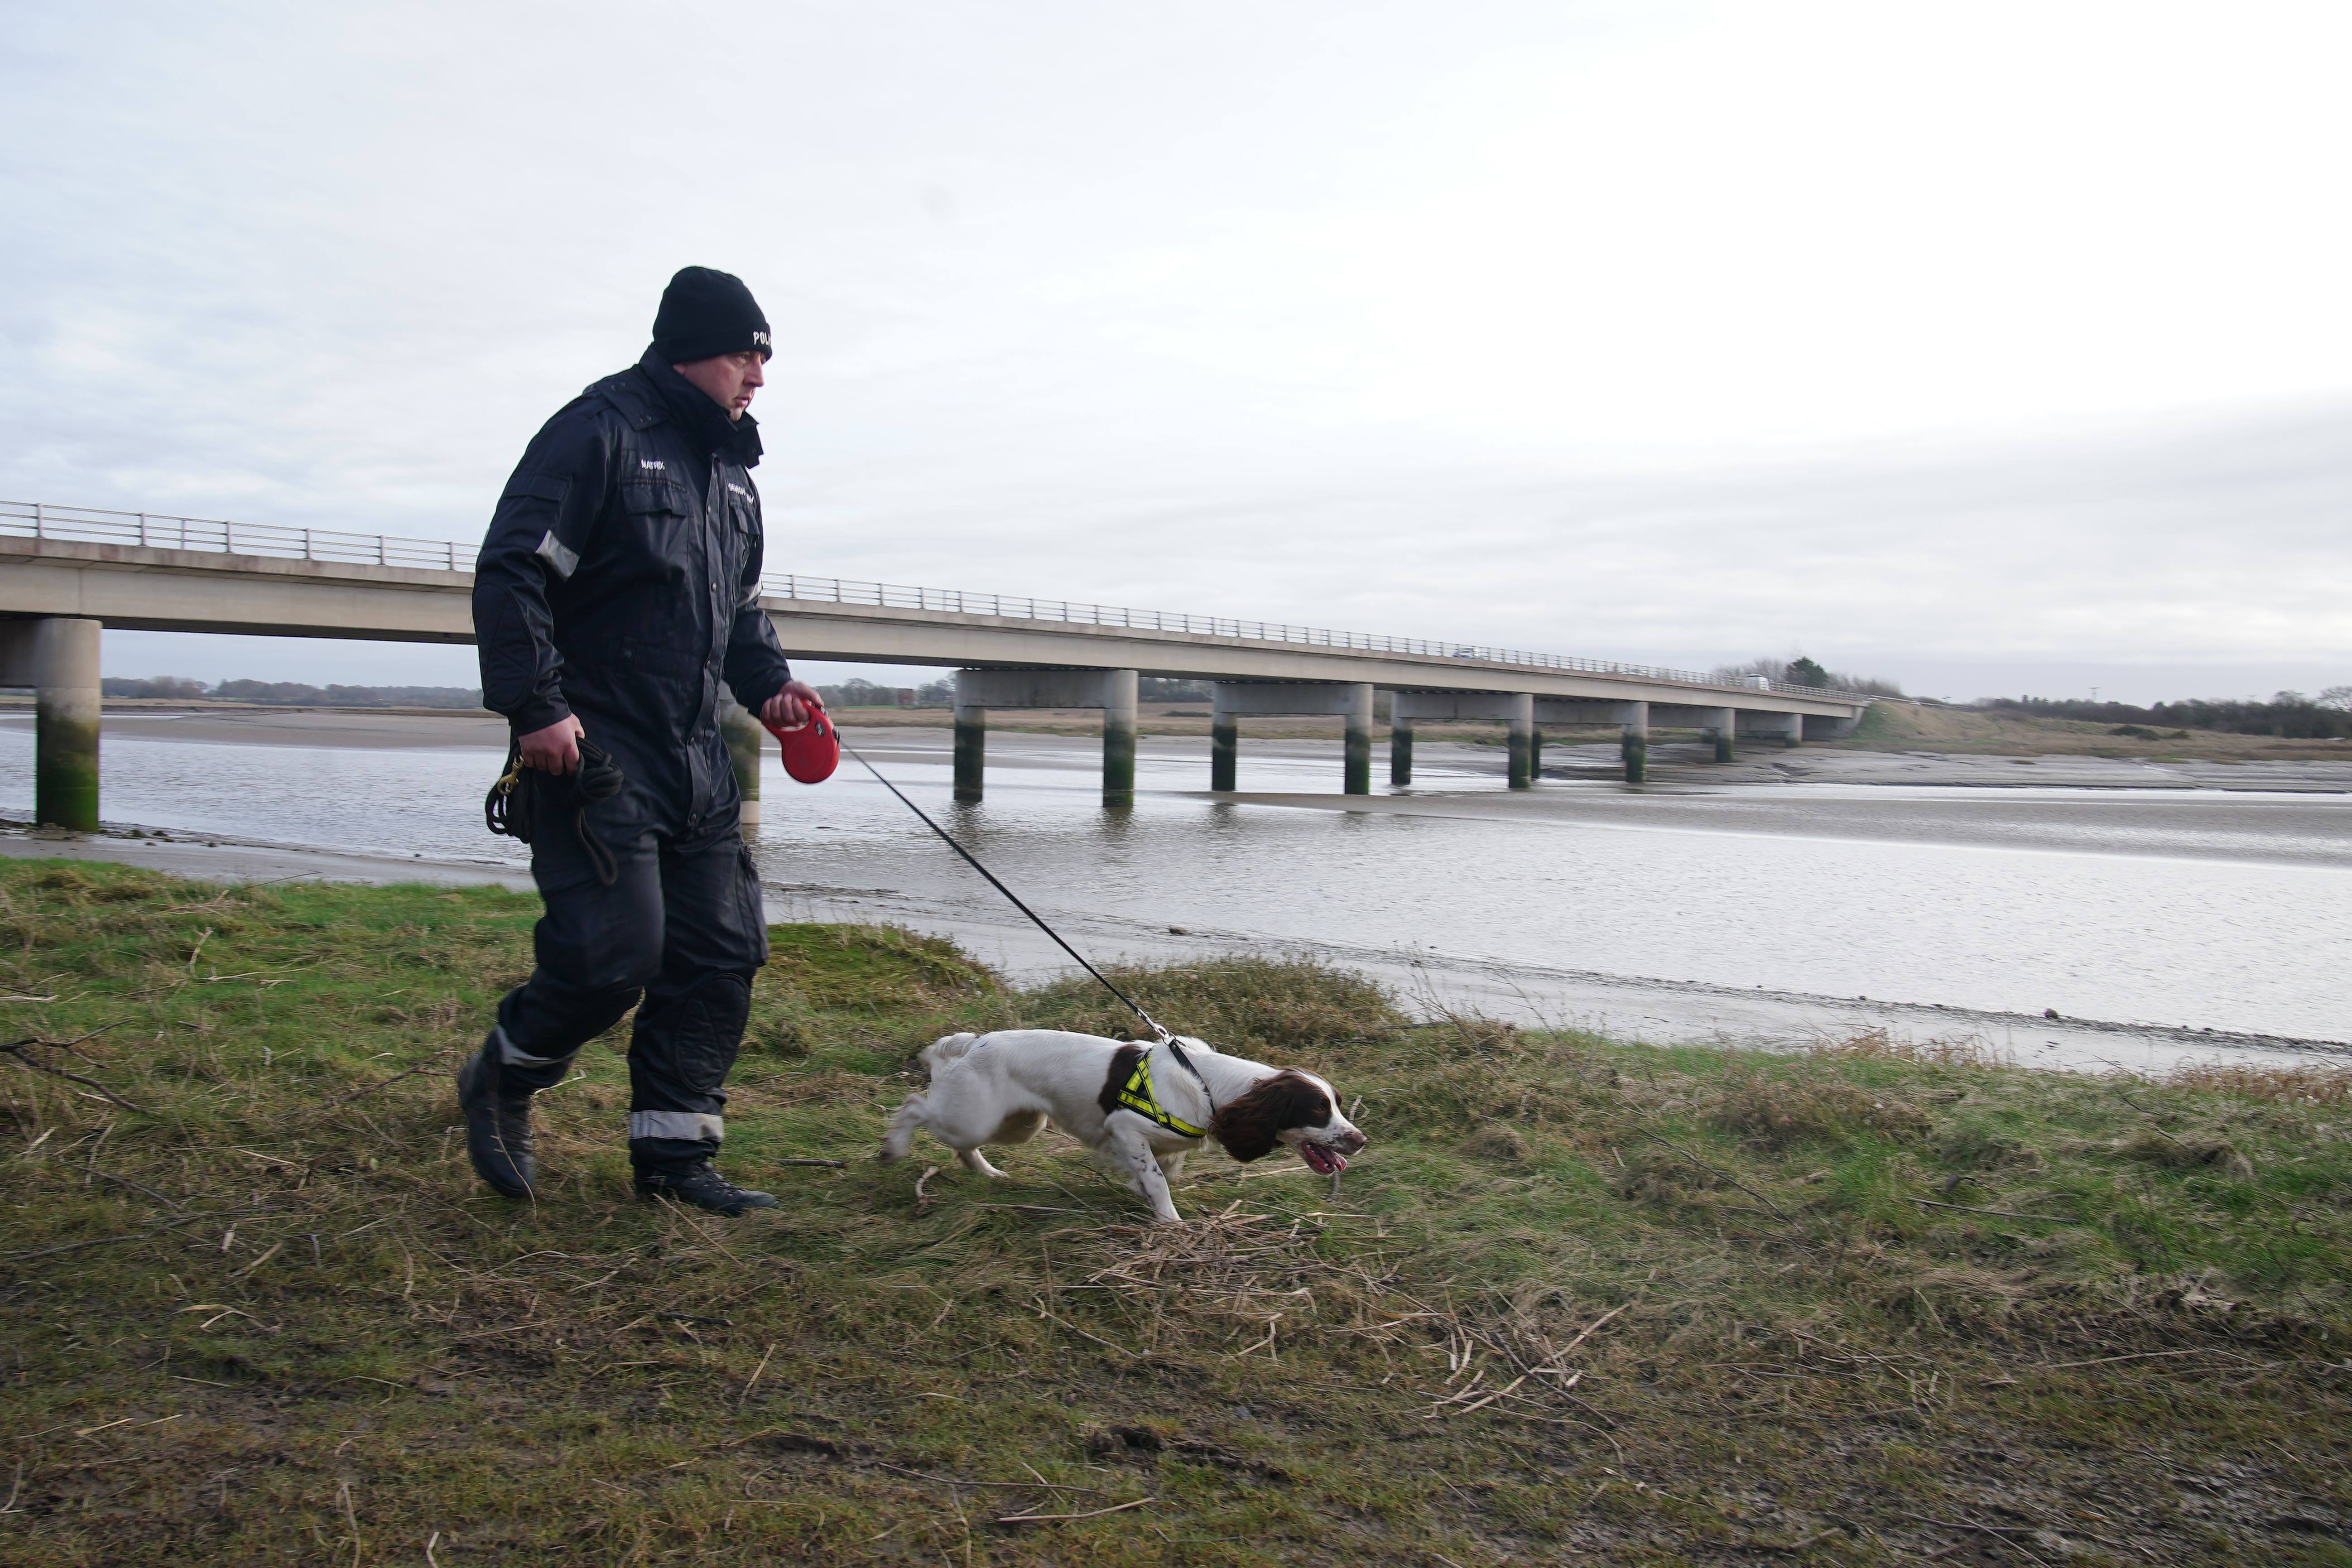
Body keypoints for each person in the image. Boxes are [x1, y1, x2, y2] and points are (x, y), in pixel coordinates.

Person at [460, 265, 820, 1215]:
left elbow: (738, 609)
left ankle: (675, 1161)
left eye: (763, 357)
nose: (758, 374)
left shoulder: (732, 476)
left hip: (698, 758)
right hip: (596, 755)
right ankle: (504, 1075)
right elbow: (512, 575)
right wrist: (535, 706)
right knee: (612, 957)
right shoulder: (597, 431)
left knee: (720, 955)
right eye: (748, 353)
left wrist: (771, 686)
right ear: (693, 348)